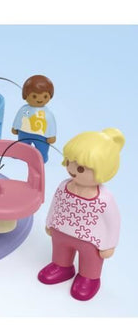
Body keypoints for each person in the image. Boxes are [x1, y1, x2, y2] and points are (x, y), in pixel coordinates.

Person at [38, 128, 124, 300]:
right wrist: (49, 222)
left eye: (81, 168)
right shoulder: (64, 186)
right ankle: (62, 266)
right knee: (60, 251)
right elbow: (56, 204)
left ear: (102, 170)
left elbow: (113, 223)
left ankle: (89, 278)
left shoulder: (104, 199)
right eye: (69, 161)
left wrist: (109, 245)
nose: (72, 169)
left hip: (90, 240)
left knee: (91, 260)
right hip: (61, 231)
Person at [12, 75, 56, 163]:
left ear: (50, 96)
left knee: (42, 150)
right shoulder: (24, 109)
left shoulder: (47, 113)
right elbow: (19, 118)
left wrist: (51, 135)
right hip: (24, 132)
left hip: (41, 136)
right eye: (34, 96)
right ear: (25, 95)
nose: (39, 99)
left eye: (45, 96)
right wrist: (15, 127)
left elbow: (51, 124)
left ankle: (42, 158)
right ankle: (21, 154)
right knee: (22, 146)